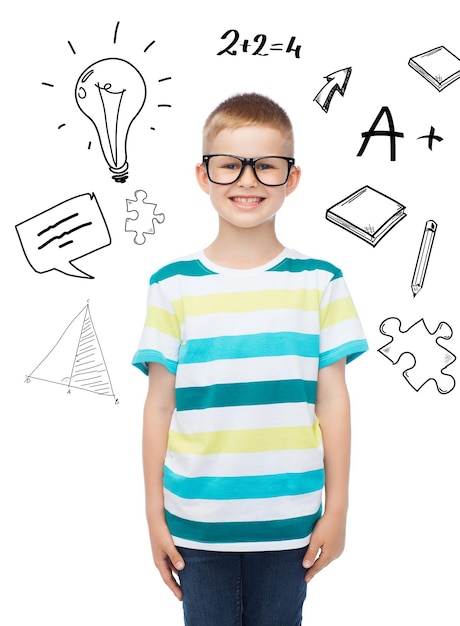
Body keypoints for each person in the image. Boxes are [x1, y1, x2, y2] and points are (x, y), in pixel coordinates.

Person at [132, 92, 368, 625]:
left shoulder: (320, 281)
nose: (247, 180)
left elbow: (332, 400)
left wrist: (339, 508)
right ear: (203, 174)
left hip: (291, 523)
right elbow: (158, 407)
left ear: (292, 177)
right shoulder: (171, 286)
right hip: (196, 523)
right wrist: (153, 514)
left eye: (266, 166)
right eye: (229, 165)